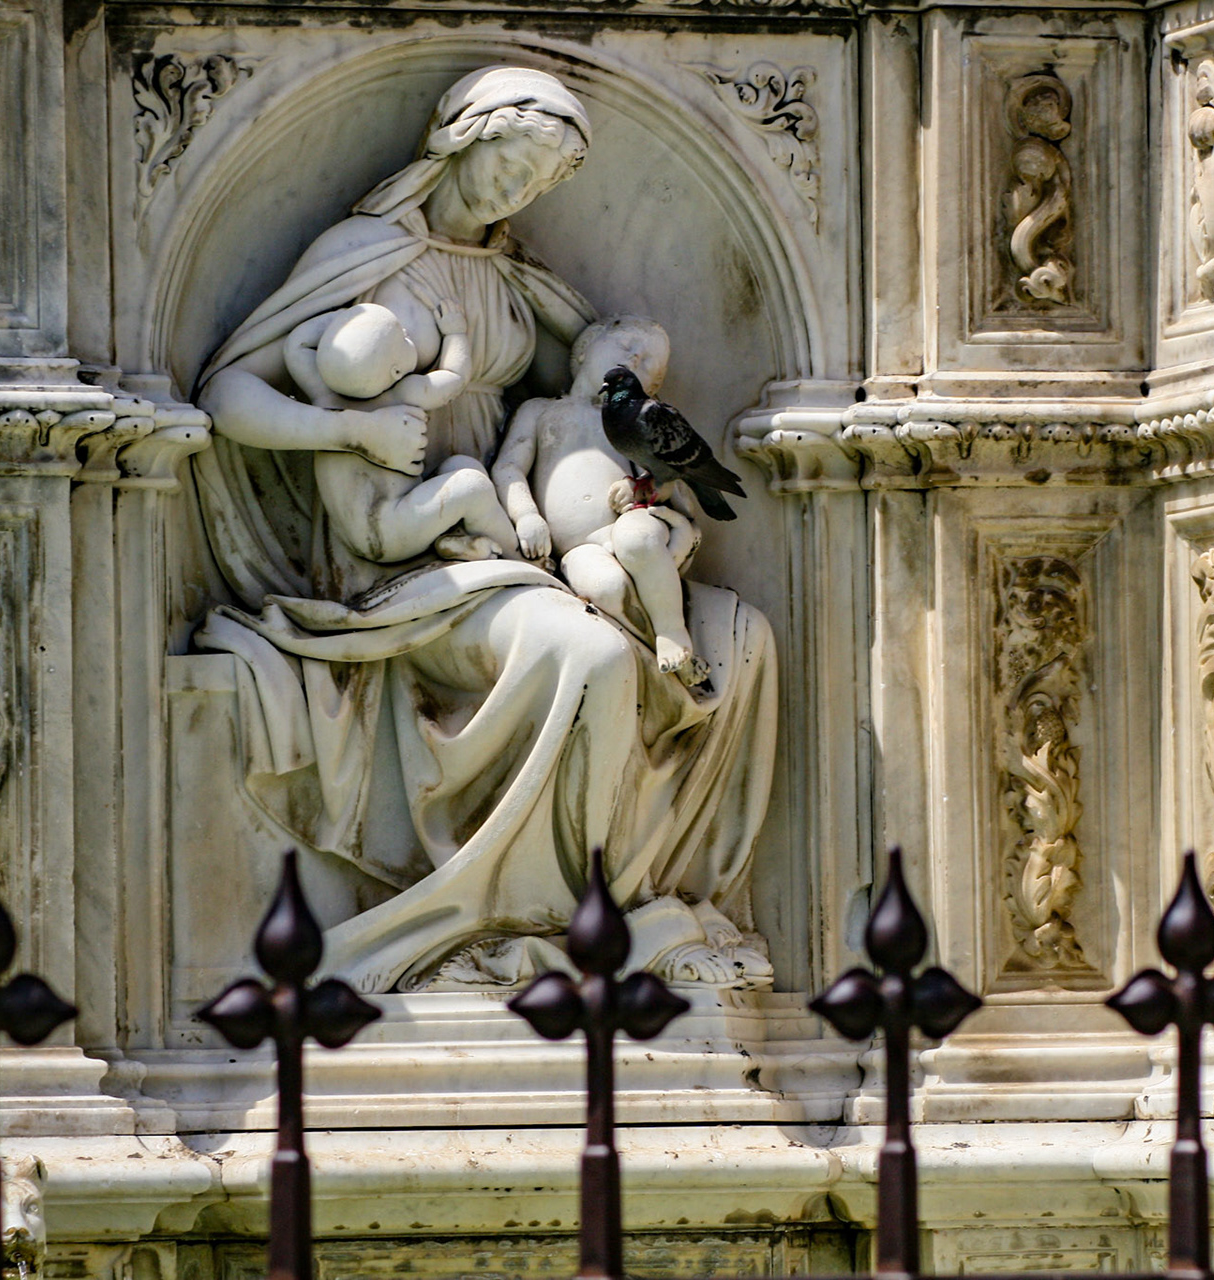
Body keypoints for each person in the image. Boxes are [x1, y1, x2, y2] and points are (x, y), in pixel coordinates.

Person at [190, 66, 777, 993]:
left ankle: (599, 905)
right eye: (515, 159)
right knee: (590, 658)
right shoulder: (364, 252)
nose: (520, 187)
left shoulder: (513, 284)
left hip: (499, 545)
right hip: (393, 555)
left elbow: (596, 387)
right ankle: (573, 920)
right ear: (462, 136)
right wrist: (349, 429)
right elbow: (228, 394)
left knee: (740, 635)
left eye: (543, 178)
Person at [493, 315, 712, 687]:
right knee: (606, 588)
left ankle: (672, 631)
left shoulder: (634, 420)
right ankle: (662, 651)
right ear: (584, 348)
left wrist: (641, 489)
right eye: (627, 345)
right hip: (578, 547)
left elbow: (667, 479)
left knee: (637, 539)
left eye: (647, 364)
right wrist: (527, 515)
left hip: (625, 524)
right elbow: (509, 468)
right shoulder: (541, 411)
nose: (634, 359)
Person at [284, 298, 520, 563]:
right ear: (396, 370)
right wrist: (455, 333)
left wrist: (351, 321)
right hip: (388, 531)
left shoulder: (322, 393)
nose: (408, 335)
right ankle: (519, 557)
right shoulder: (404, 393)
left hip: (360, 533)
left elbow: (298, 343)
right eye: (404, 338)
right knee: (473, 486)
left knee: (460, 465)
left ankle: (457, 539)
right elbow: (455, 378)